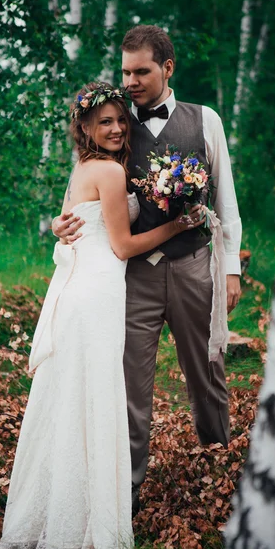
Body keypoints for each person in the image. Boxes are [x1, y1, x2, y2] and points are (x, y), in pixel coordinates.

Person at [0, 82, 205, 549]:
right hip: (96, 293)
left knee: (74, 399)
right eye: (104, 121)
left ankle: (66, 511)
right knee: (93, 397)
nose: (115, 128)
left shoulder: (84, 168)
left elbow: (74, 224)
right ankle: (87, 522)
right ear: (85, 126)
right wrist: (179, 224)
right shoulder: (108, 172)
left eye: (119, 119)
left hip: (82, 292)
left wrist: (58, 225)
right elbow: (123, 246)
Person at [52, 25, 242, 516]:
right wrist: (60, 221)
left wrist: (231, 270)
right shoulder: (112, 126)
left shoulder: (206, 120)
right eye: (125, 71)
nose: (131, 80)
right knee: (130, 382)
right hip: (131, 277)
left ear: (167, 68)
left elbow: (226, 199)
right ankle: (128, 489)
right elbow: (82, 191)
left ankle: (219, 464)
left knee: (207, 372)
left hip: (195, 265)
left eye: (141, 71)